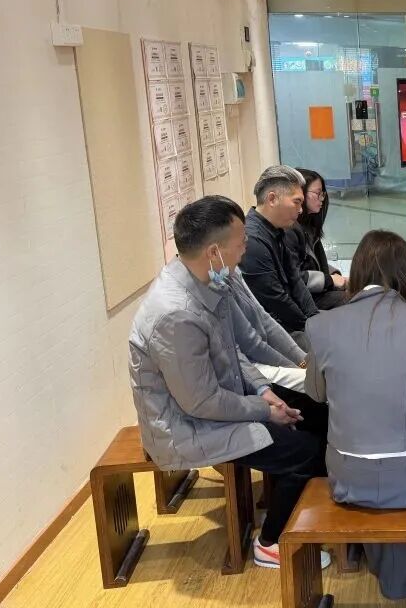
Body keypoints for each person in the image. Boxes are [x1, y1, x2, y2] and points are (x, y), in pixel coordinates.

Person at [128, 196, 328, 570]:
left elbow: (232, 349)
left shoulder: (206, 280)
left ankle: (308, 513)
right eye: (241, 242)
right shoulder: (175, 314)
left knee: (318, 413)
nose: (246, 248)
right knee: (307, 451)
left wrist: (264, 391)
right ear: (214, 251)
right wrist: (265, 410)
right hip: (188, 427)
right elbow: (200, 403)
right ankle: (272, 542)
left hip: (224, 401)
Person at [304, 230, 406, 601]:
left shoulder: (321, 326)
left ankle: (379, 562)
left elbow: (316, 394)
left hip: (347, 476)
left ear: (358, 272)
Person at [239, 165, 320, 333]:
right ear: (272, 199)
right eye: (296, 202)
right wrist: (309, 327)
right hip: (271, 330)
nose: (301, 210)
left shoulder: (277, 229)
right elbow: (276, 299)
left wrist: (314, 318)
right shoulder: (252, 241)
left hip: (290, 322)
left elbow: (295, 279)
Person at [287, 167, 347, 311]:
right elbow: (294, 277)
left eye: (323, 194)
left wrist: (333, 274)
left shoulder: (309, 228)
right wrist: (330, 280)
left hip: (317, 292)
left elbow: (314, 264)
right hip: (307, 300)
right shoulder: (290, 231)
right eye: (317, 193)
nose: (322, 199)